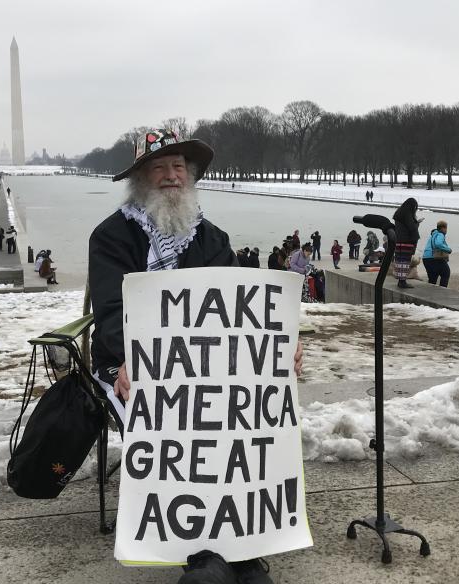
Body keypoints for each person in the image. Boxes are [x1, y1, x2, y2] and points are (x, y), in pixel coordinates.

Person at [87, 128, 297, 584]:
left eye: (178, 167)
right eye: (159, 168)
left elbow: (242, 307)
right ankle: (201, 553)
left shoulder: (212, 237)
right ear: (141, 178)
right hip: (128, 362)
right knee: (171, 419)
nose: (170, 177)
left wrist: (280, 343)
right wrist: (132, 358)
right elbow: (108, 314)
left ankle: (243, 543)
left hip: (205, 363)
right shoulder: (110, 237)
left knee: (236, 415)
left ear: (191, 176)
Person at [393, 197, 421, 288]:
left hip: (399, 241)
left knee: (400, 261)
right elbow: (412, 228)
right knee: (405, 262)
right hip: (407, 241)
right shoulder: (408, 214)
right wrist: (417, 223)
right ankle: (402, 282)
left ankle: (401, 281)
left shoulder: (399, 213)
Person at [422, 220, 452, 287]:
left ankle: (431, 294)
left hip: (426, 258)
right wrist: (448, 250)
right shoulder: (440, 234)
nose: (446, 230)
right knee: (446, 273)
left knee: (432, 279)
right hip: (434, 258)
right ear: (443, 228)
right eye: (446, 228)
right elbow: (438, 243)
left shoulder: (433, 235)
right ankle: (442, 290)